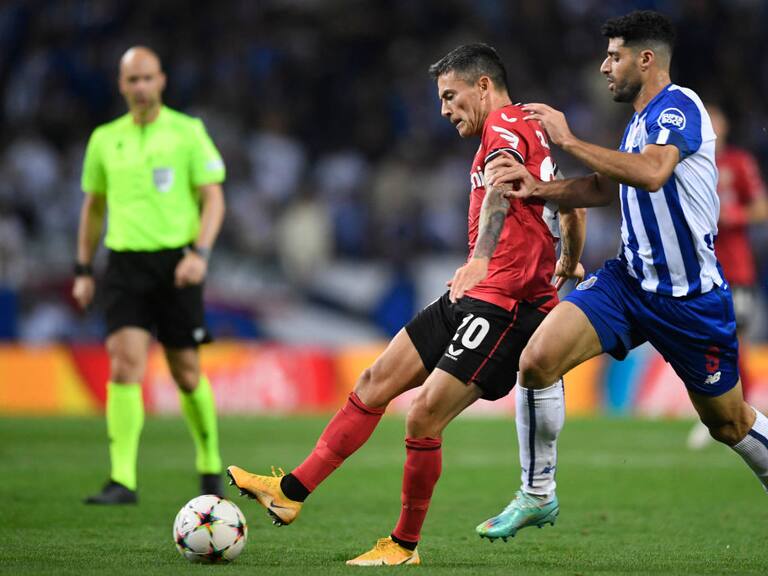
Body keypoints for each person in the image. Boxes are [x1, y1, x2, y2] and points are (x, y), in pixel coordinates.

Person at [227, 43, 586, 565]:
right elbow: (571, 205)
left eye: (450, 96)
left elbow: (504, 186)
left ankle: (403, 545)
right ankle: (290, 492)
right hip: (474, 295)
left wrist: (482, 258)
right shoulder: (527, 130)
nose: (443, 110)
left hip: (504, 306)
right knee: (374, 382)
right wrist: (569, 258)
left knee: (422, 417)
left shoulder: (505, 124)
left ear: (483, 86)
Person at [468, 10, 768, 535]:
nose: (605, 67)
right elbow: (604, 189)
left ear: (646, 59)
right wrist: (537, 190)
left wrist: (567, 140)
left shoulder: (680, 106)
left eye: (614, 56)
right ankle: (537, 494)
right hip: (627, 283)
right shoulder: (636, 124)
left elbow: (652, 174)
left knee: (729, 423)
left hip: (690, 300)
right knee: (537, 361)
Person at [73, 46, 227, 504]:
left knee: (186, 373)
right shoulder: (104, 140)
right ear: (121, 85)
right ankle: (122, 480)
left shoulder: (187, 132)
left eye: (147, 78)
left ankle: (209, 464)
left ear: (161, 80)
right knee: (124, 363)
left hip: (177, 264)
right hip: (124, 264)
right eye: (132, 80)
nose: (140, 87)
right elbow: (93, 207)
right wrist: (83, 269)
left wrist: (199, 254)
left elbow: (213, 199)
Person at [687, 103, 768, 449]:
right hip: (697, 271)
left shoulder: (738, 162)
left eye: (714, 122)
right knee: (705, 342)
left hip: (735, 269)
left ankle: (742, 411)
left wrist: (732, 215)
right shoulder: (687, 162)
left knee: (734, 341)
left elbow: (761, 208)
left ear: (724, 127)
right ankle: (722, 410)